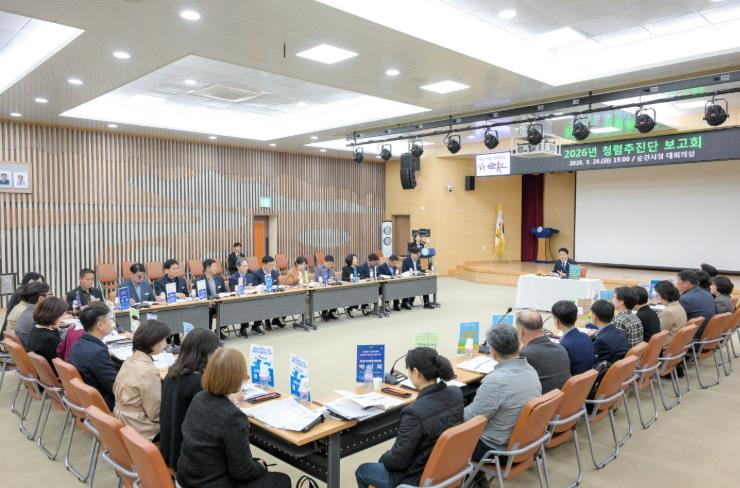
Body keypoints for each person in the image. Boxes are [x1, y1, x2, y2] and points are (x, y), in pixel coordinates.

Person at [176, 348, 291, 488]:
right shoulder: (233, 417)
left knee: (253, 463)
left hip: (187, 478)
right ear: (238, 378)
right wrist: (261, 466)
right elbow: (242, 472)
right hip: (210, 483)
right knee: (281, 480)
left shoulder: (199, 398)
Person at [355, 347, 463, 488]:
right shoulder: (456, 393)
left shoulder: (413, 413)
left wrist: (384, 458)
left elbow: (398, 461)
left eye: (408, 370)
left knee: (363, 470)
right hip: (446, 470)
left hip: (416, 477)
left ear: (416, 372)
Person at [464, 324, 541, 463]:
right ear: (519, 345)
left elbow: (472, 419)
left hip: (493, 449)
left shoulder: (496, 381)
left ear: (493, 351)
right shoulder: (531, 370)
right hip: (525, 444)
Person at [160, 328, 221, 468]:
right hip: (187, 459)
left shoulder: (172, 374)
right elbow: (213, 423)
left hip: (169, 450)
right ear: (207, 353)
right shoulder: (198, 383)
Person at [113, 319, 170, 441]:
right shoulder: (148, 371)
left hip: (123, 422)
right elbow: (155, 413)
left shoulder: (129, 360)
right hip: (141, 428)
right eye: (164, 340)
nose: (166, 344)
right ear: (154, 342)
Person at [68, 304, 121, 410]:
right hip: (105, 403)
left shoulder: (78, 344)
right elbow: (116, 388)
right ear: (100, 325)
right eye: (110, 319)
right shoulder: (97, 353)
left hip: (87, 400)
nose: (113, 322)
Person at [516, 310, 571, 393]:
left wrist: (517, 354)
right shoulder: (561, 349)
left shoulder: (524, 355)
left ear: (522, 332)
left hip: (539, 400)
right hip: (560, 399)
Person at [551, 300, 594, 374]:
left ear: (557, 321)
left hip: (574, 379)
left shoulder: (562, 347)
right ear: (576, 317)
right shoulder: (586, 336)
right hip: (588, 378)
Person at [27, 297, 67, 369]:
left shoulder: (36, 328)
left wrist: (54, 326)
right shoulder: (49, 339)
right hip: (56, 371)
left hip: (41, 370)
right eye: (61, 316)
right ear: (53, 316)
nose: (61, 318)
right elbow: (60, 361)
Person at [1, 271, 44, 336]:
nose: (41, 287)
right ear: (30, 282)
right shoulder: (22, 294)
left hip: (14, 330)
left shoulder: (22, 291)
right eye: (38, 284)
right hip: (14, 332)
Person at [8, 281, 50, 347]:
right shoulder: (36, 316)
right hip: (36, 349)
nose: (51, 298)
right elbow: (50, 338)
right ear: (41, 299)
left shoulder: (27, 311)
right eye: (49, 295)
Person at [676, 269, 716, 339]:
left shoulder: (685, 299)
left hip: (691, 338)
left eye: (678, 281)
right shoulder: (707, 294)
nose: (676, 284)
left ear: (687, 284)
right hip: (705, 336)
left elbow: (675, 320)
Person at [591, 300, 630, 364]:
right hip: (622, 367)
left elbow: (595, 363)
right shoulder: (621, 333)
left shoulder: (601, 341)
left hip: (607, 369)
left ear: (594, 316)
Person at [252, 256, 285, 329]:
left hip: (273, 295)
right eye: (270, 265)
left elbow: (276, 285)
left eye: (273, 265)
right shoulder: (257, 274)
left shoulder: (274, 272)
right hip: (262, 297)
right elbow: (254, 288)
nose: (272, 267)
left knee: (284, 300)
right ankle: (265, 321)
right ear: (264, 264)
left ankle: (276, 320)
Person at [229, 258, 258, 338]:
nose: (246, 268)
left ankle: (256, 326)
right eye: (243, 266)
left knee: (259, 303)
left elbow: (254, 287)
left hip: (251, 298)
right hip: (239, 301)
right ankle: (243, 328)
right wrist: (246, 288)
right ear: (238, 267)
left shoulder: (250, 276)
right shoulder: (233, 278)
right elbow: (233, 290)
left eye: (247, 266)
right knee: (245, 305)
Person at [314, 255, 339, 321]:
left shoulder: (331, 269)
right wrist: (327, 281)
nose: (329, 266)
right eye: (328, 264)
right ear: (324, 262)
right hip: (321, 289)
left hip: (330, 289)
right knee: (326, 295)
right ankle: (324, 313)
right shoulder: (318, 269)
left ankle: (331, 312)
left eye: (331, 264)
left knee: (338, 294)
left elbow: (335, 279)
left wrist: (333, 280)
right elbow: (317, 280)